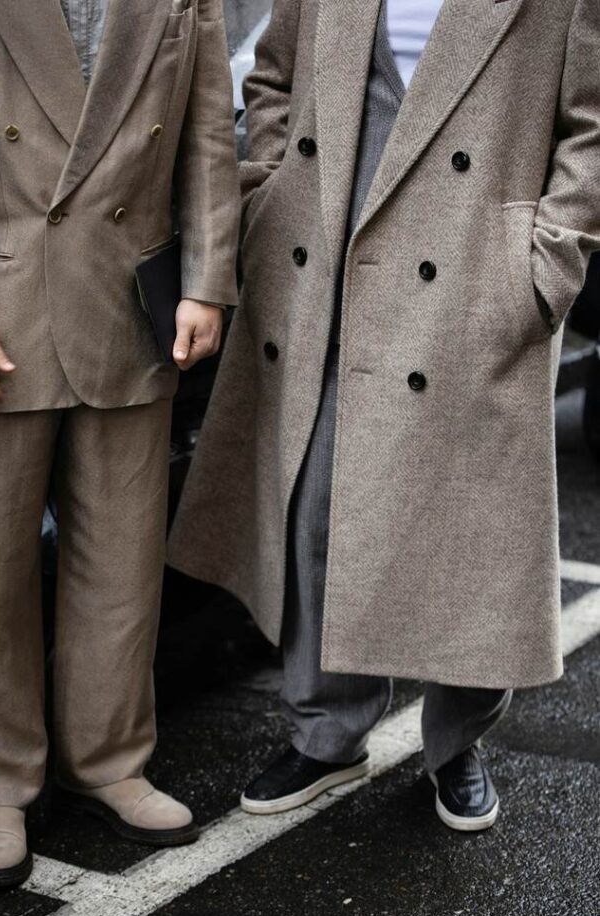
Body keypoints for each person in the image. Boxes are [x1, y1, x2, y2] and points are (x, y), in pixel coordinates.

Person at [169, 0, 600, 829]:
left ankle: (458, 741)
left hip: (475, 273)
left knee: (470, 526)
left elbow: (591, 124)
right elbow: (273, 76)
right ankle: (325, 734)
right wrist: (268, 189)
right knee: (318, 503)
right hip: (325, 253)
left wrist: (543, 266)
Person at [0, 0, 240, 888]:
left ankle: (107, 761)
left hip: (129, 301)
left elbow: (209, 134)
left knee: (121, 561)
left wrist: (207, 281)